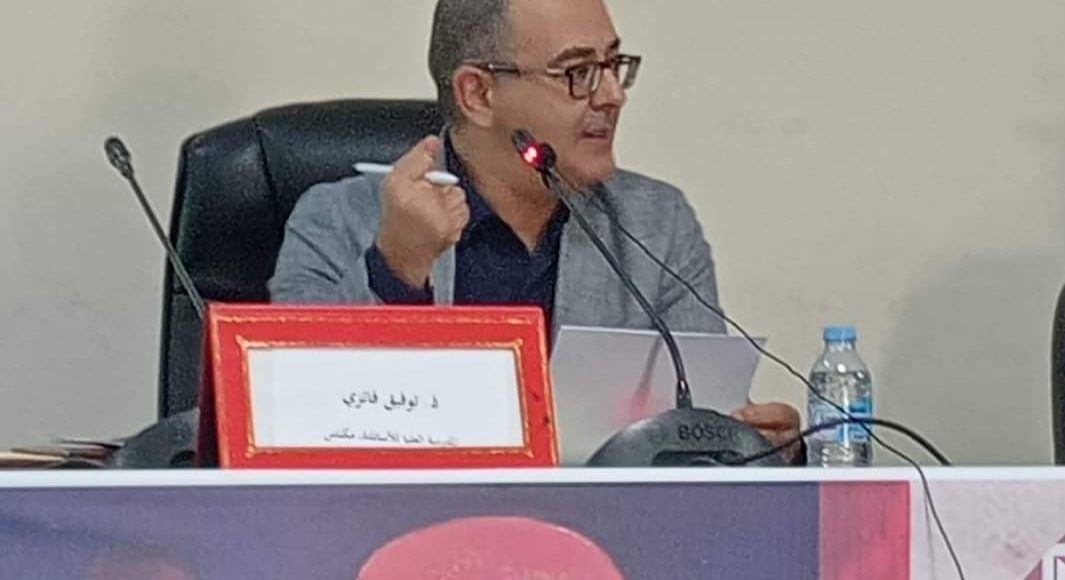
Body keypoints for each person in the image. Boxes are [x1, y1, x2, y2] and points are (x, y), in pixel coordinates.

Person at [269, 0, 801, 460]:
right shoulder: (337, 219)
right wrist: (397, 267)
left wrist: (755, 445)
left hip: (603, 534)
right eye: (578, 72)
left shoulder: (656, 224)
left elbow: (697, 431)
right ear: (478, 94)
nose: (612, 95)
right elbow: (287, 417)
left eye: (613, 65)